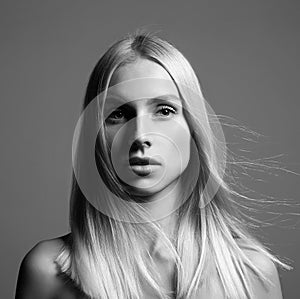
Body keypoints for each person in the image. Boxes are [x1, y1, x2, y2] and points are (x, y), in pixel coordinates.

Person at [15, 32, 291, 299]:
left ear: (194, 128)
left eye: (164, 110)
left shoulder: (250, 272)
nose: (140, 136)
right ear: (95, 135)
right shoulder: (48, 271)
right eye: (118, 114)